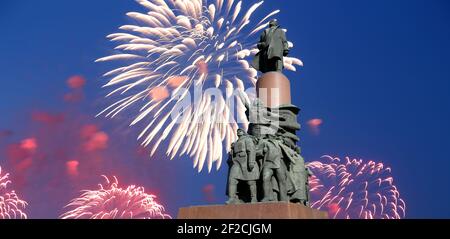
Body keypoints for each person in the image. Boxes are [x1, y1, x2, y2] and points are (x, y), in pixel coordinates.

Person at [226, 129, 260, 204]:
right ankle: (232, 198)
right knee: (232, 179)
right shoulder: (236, 143)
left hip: (245, 161)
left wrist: (251, 162)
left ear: (244, 133)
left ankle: (254, 198)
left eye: (240, 131)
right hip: (237, 162)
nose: (238, 131)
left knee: (250, 181)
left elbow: (251, 150)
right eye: (237, 131)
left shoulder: (247, 140)